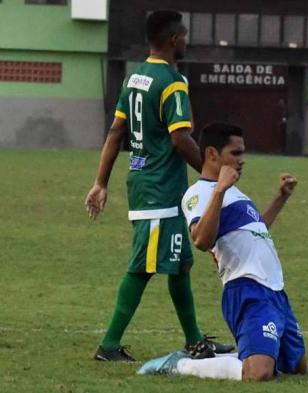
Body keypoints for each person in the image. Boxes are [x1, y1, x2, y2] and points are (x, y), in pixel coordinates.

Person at [85, 10, 232, 361]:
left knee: (180, 262)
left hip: (147, 182)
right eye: (183, 34)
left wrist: (100, 182)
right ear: (172, 39)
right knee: (143, 265)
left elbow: (115, 132)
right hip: (159, 188)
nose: (186, 39)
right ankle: (108, 346)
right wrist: (211, 176)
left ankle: (194, 340)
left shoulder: (135, 78)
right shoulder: (172, 81)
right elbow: (181, 138)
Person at [138, 123, 306, 381]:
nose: (242, 160)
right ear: (212, 154)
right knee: (258, 373)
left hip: (274, 291)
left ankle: (222, 357)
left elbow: (256, 230)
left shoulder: (236, 193)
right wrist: (219, 190)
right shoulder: (197, 194)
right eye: (235, 153)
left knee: (296, 367)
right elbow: (202, 240)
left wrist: (280, 197)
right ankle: (181, 365)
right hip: (247, 289)